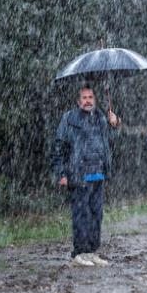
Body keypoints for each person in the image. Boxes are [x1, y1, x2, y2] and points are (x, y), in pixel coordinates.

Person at [52, 86, 121, 267]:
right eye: (84, 97)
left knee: (96, 215)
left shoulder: (100, 117)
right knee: (81, 216)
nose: (88, 100)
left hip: (98, 175)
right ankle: (78, 254)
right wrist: (61, 173)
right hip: (78, 175)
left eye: (90, 97)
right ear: (78, 101)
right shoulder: (69, 119)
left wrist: (115, 124)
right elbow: (58, 147)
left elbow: (110, 141)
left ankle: (91, 251)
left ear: (95, 100)